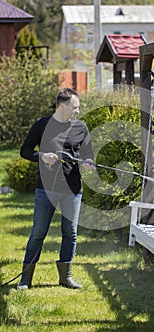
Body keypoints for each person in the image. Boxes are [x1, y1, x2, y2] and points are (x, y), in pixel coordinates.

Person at [17, 88, 94, 290]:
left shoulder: (81, 127)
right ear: (62, 105)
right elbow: (24, 151)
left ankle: (65, 277)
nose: (77, 111)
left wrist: (88, 162)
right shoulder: (41, 125)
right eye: (75, 107)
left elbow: (88, 154)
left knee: (70, 233)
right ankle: (25, 279)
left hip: (73, 190)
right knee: (38, 232)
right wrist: (41, 156)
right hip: (46, 189)